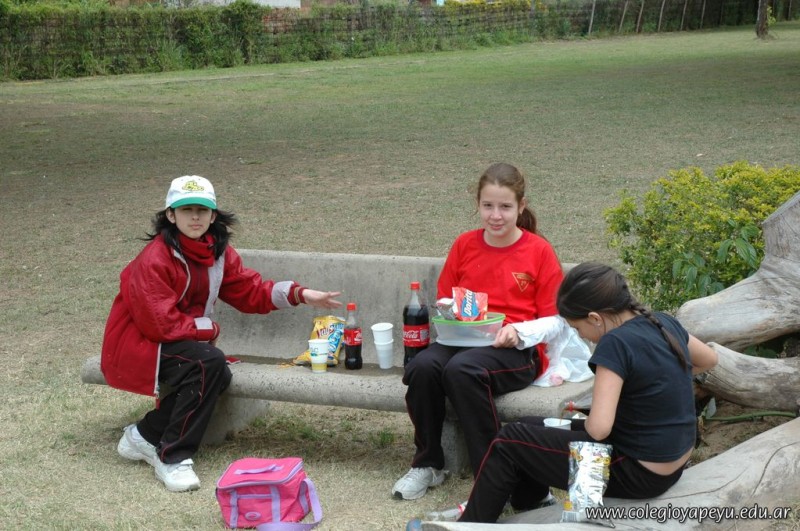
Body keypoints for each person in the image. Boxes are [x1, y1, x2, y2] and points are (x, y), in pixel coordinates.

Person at [101, 175, 341, 492]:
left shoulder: (216, 251)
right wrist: (210, 328)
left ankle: (143, 435)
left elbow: (249, 291)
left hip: (176, 342)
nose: (195, 217)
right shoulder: (154, 258)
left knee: (215, 371)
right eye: (186, 210)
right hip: (138, 344)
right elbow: (158, 324)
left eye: (202, 210)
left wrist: (300, 294)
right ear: (170, 215)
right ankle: (172, 456)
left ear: (213, 216)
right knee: (208, 364)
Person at [453, 262, 719, 523]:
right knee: (529, 425)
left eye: (578, 328)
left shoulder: (614, 342)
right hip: (672, 463)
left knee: (509, 440)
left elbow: (598, 430)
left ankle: (471, 523)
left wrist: (593, 413)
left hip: (637, 474)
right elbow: (709, 359)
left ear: (595, 318)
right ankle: (531, 501)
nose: (581, 336)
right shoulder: (662, 322)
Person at [392, 162, 564, 501]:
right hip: (464, 339)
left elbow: (556, 320)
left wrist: (519, 332)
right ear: (478, 205)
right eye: (488, 206)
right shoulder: (464, 244)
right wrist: (453, 311)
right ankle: (428, 463)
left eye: (505, 207)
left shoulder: (538, 251)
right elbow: (444, 298)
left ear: (521, 206)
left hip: (516, 349)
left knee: (462, 370)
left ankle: (493, 477)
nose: (495, 216)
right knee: (423, 367)